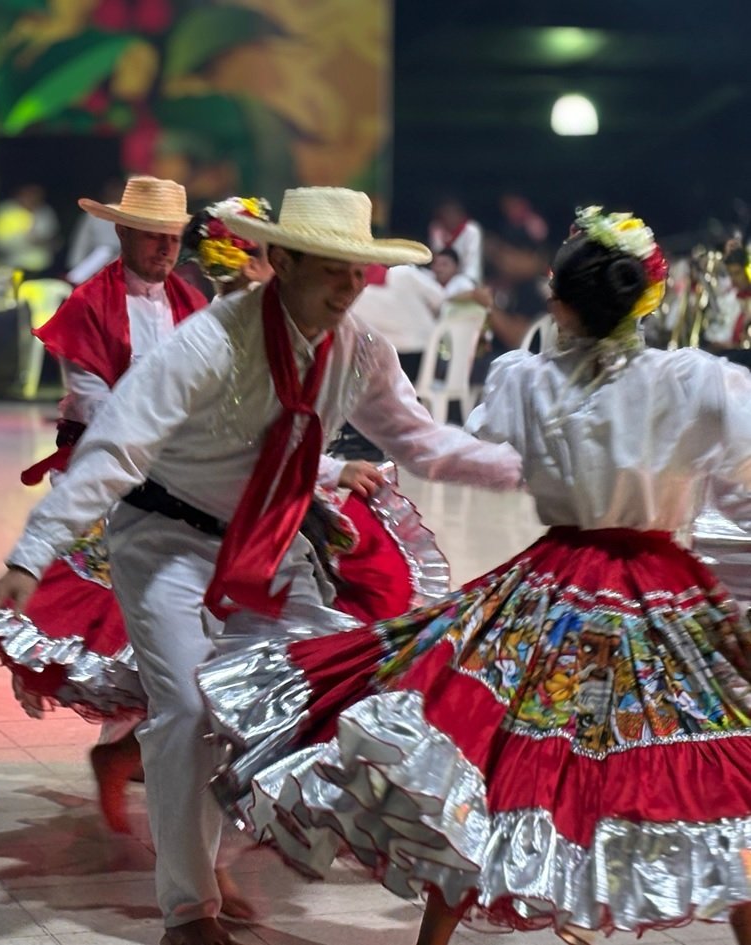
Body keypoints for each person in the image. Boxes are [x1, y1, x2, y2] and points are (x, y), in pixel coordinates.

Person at [0, 186, 521, 945]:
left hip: (267, 541)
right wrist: (30, 557)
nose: (347, 288)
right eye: (331, 270)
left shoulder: (359, 349)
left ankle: (241, 844)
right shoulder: (210, 339)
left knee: (340, 685)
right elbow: (116, 445)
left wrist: (526, 466)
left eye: (356, 273)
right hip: (163, 539)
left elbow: (423, 442)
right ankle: (188, 909)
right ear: (282, 261)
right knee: (190, 712)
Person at [197, 206, 751, 945]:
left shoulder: (528, 379)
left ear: (559, 304)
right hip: (661, 587)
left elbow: (479, 448)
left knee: (498, 753)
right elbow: (740, 491)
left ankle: (438, 935)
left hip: (555, 581)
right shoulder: (696, 380)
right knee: (713, 769)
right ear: (646, 295)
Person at [0, 175, 206, 832]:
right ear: (123, 233)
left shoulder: (195, 300)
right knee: (100, 609)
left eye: (171, 238)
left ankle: (133, 743)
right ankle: (120, 741)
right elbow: (97, 404)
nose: (163, 249)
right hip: (108, 471)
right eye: (151, 237)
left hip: (182, 477)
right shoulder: (90, 303)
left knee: (166, 618)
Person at [0, 182, 60, 276]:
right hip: (14, 266)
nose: (33, 198)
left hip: (43, 268)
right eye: (29, 194)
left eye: (37, 194)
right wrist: (26, 239)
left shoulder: (45, 211)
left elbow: (53, 238)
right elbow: (1, 244)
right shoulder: (7, 211)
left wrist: (45, 241)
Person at [65, 178, 124, 284]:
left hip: (120, 265)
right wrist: (76, 264)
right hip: (95, 263)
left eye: (120, 190)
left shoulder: (131, 218)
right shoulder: (92, 215)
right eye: (113, 190)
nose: (116, 194)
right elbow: (82, 241)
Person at [428, 196, 483, 284]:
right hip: (441, 277)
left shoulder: (471, 230)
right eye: (445, 212)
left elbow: (472, 266)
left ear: (460, 213)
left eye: (452, 212)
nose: (449, 216)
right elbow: (437, 258)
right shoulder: (437, 228)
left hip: (464, 278)